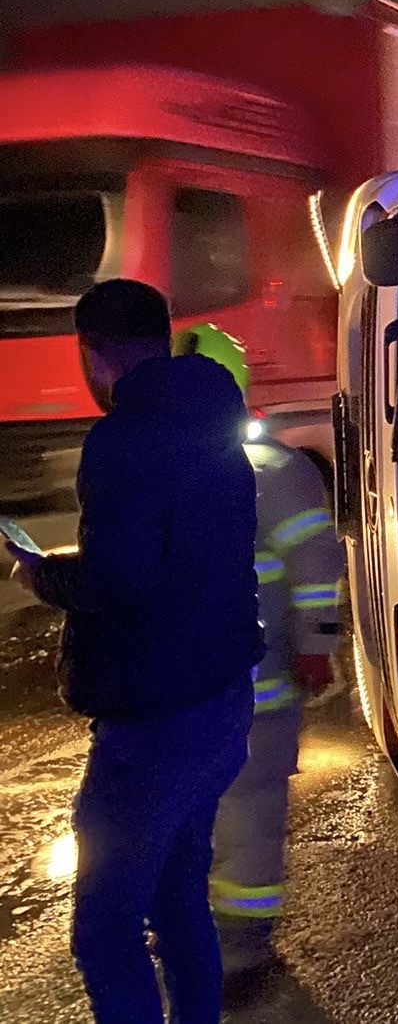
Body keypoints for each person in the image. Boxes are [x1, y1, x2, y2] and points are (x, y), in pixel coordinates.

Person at [6, 279, 261, 1024]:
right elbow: (178, 555)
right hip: (219, 699)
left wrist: (41, 574)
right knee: (180, 902)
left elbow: (118, 579)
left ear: (92, 352)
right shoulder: (213, 418)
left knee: (105, 929)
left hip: (152, 721)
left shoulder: (123, 438)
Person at [172, 323, 343, 977]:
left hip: (256, 687)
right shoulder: (198, 467)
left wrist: (317, 645)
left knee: (246, 809)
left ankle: (243, 938)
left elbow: (315, 563)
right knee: (211, 810)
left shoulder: (270, 472)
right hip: (199, 686)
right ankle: (212, 924)